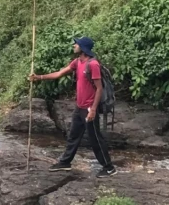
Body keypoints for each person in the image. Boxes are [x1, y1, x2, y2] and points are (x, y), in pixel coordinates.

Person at [29, 36, 117, 176]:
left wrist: (93, 110)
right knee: (73, 136)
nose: (74, 45)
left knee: (95, 138)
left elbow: (99, 89)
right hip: (79, 107)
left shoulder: (93, 64)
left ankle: (109, 167)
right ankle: (65, 162)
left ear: (83, 48)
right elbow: (59, 74)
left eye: (77, 44)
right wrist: (39, 77)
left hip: (89, 108)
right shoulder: (77, 62)